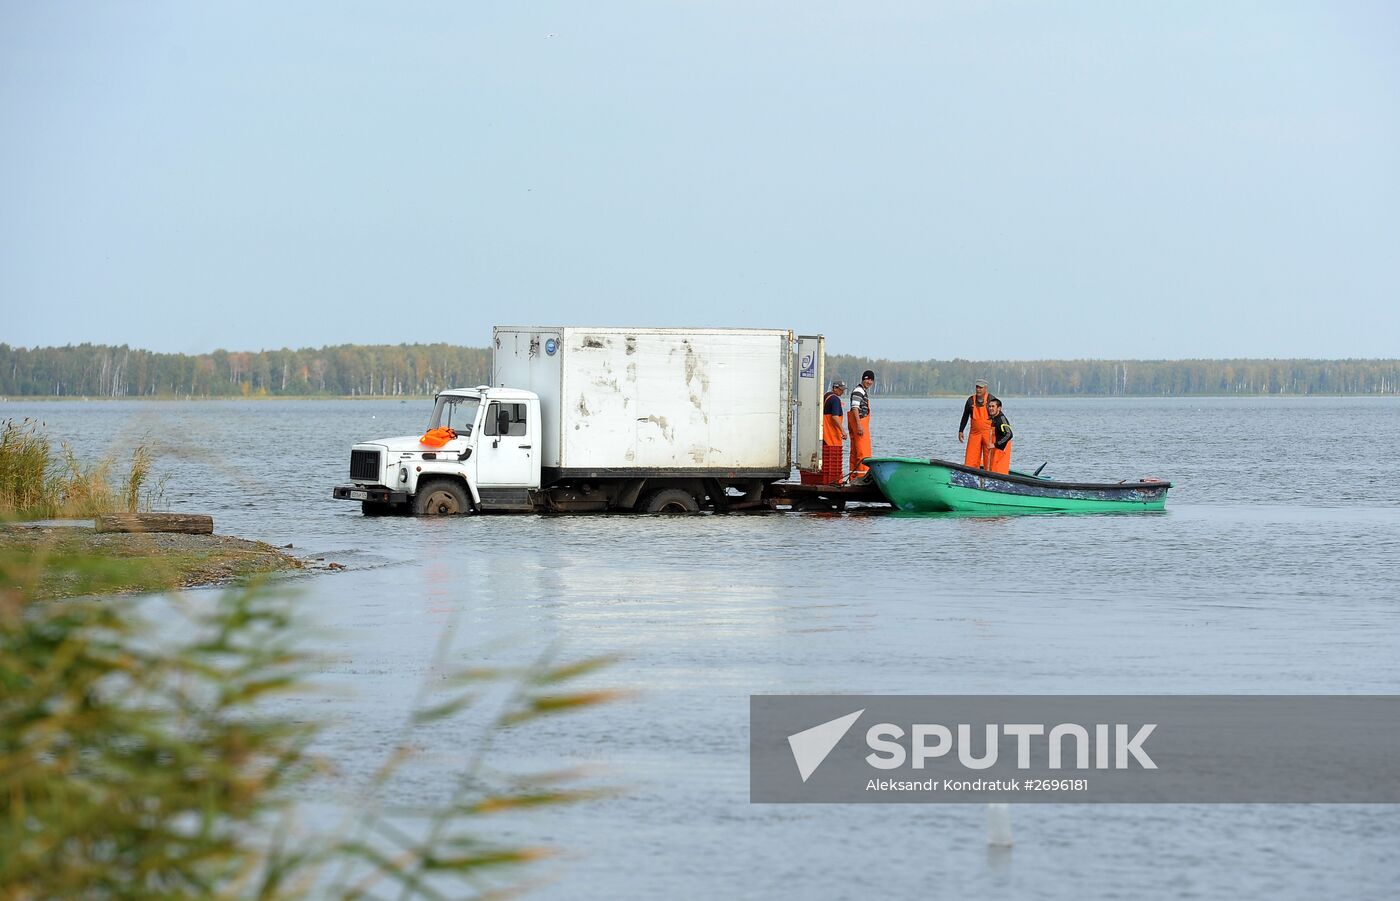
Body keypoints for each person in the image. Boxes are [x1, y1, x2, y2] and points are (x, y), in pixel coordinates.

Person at [958, 379, 998, 470]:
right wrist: (961, 430)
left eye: (980, 388)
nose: (978, 390)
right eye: (977, 387)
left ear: (985, 389)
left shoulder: (992, 400)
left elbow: (998, 417)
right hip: (974, 434)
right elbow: (965, 416)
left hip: (988, 433)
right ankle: (970, 475)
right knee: (970, 459)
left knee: (989, 458)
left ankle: (990, 475)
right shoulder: (970, 401)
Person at [847, 370, 874, 479]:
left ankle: (853, 478)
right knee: (863, 453)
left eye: (871, 380)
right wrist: (859, 425)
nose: (869, 382)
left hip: (859, 424)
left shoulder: (862, 390)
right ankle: (863, 479)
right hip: (860, 424)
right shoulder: (859, 390)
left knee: (855, 453)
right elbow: (855, 407)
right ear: (863, 379)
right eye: (867, 379)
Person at [820, 380, 847, 483]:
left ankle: (825, 480)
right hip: (832, 435)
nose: (842, 392)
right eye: (840, 390)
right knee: (833, 460)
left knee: (825, 459)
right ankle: (834, 481)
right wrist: (843, 431)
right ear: (835, 388)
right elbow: (835, 417)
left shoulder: (826, 396)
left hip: (824, 434)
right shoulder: (835, 400)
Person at [986, 397, 1013, 474]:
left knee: (997, 472)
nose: (991, 408)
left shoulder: (1002, 419)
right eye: (989, 406)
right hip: (994, 453)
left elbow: (1009, 434)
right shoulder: (994, 418)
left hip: (1000, 452)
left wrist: (995, 445)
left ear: (999, 408)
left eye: (993, 406)